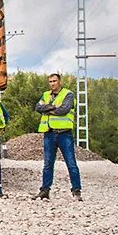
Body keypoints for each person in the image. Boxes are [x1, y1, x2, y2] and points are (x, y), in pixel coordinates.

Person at [32, 73, 81, 201]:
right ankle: (45, 190)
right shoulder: (46, 95)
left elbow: (63, 110)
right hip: (49, 133)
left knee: (71, 163)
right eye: (50, 81)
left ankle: (76, 191)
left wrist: (47, 109)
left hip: (64, 134)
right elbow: (38, 107)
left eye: (54, 81)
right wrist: (53, 107)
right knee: (48, 164)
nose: (52, 83)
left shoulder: (68, 94)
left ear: (59, 81)